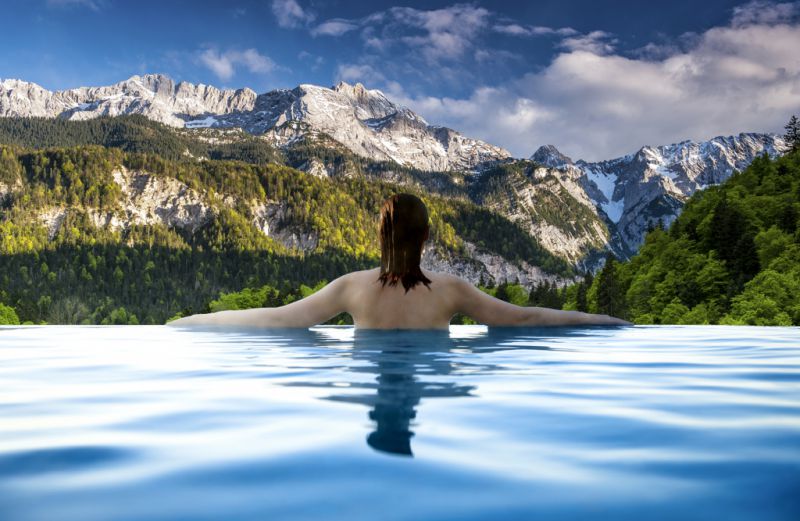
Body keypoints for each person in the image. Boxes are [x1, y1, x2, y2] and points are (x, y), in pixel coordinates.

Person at [169, 193, 630, 329]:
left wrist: (189, 323)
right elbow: (526, 317)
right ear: (428, 235)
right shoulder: (451, 290)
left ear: (378, 234)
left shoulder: (351, 287)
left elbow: (276, 320)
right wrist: (606, 320)